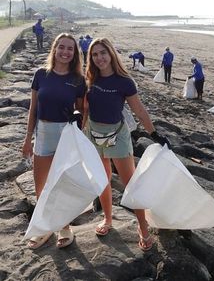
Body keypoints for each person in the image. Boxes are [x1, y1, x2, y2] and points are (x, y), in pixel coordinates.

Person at [84, 37, 169, 251]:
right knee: (102, 180)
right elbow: (84, 109)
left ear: (111, 53)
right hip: (94, 134)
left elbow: (139, 110)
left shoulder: (124, 81)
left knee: (131, 183)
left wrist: (154, 133)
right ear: (90, 58)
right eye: (95, 54)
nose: (99, 57)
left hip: (117, 136)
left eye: (103, 52)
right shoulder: (90, 78)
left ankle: (143, 227)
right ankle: (108, 219)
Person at [22, 33, 86, 249]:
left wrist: (78, 115)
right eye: (61, 47)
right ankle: (44, 227)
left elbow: (81, 109)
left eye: (70, 49)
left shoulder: (78, 80)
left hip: (65, 133)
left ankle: (64, 226)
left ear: (74, 53)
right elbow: (33, 109)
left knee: (62, 182)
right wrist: (27, 139)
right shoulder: (41, 74)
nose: (65, 52)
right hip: (43, 131)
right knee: (41, 185)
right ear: (54, 49)